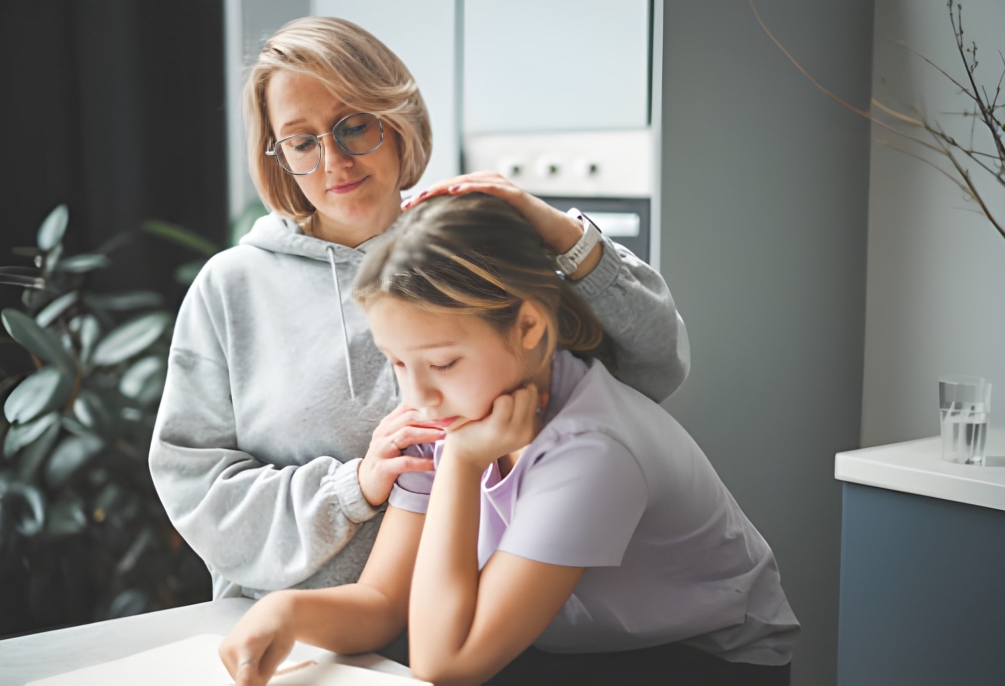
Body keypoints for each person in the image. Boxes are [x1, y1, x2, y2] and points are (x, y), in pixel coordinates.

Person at [149, 15, 689, 604]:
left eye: (354, 127)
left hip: (478, 629)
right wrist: (349, 488)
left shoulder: (466, 251)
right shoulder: (230, 288)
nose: (334, 162)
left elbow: (654, 365)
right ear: (277, 155)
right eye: (303, 142)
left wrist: (554, 228)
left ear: (396, 116)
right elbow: (192, 484)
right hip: (294, 628)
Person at [217, 193, 799, 686]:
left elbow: (444, 662)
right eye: (397, 362)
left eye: (442, 363)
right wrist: (285, 611)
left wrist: (465, 464)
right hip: (571, 644)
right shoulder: (442, 411)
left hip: (701, 659)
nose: (417, 393)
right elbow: (385, 604)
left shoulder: (593, 449)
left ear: (527, 327)